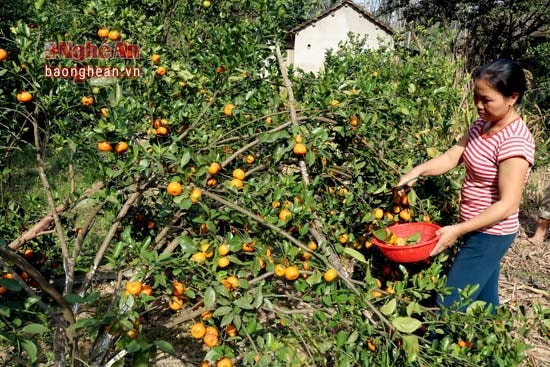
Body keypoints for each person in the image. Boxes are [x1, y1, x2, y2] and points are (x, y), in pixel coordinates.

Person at [397, 59, 535, 312]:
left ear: (512, 98)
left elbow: (508, 204)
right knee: (483, 301)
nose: (479, 105)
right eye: (476, 97)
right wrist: (417, 171)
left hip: (491, 234)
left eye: (487, 99)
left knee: (448, 303)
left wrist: (458, 230)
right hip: (474, 226)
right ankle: (491, 342)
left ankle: (438, 348)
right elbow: (451, 158)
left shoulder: (515, 142)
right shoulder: (481, 125)